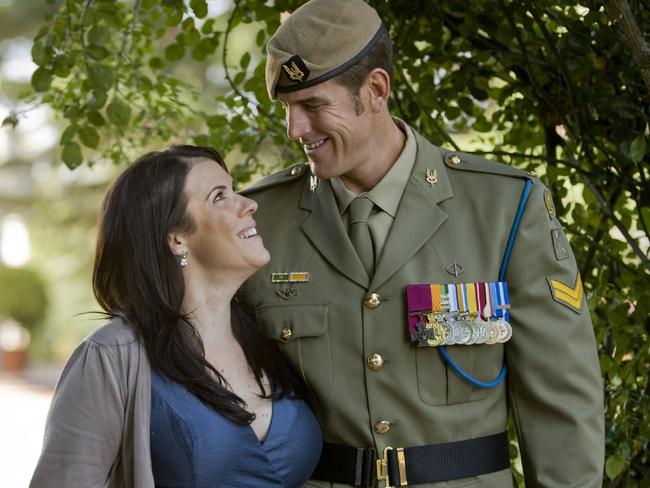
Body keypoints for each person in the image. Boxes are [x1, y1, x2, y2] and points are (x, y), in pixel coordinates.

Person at [237, 0, 605, 487]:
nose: (295, 130)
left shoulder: (503, 208)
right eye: (287, 109)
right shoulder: (261, 220)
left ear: (375, 89)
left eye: (312, 105)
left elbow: (562, 402)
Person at [30, 145, 322, 488]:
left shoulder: (263, 332)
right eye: (220, 197)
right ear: (177, 239)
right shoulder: (111, 355)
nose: (249, 203)